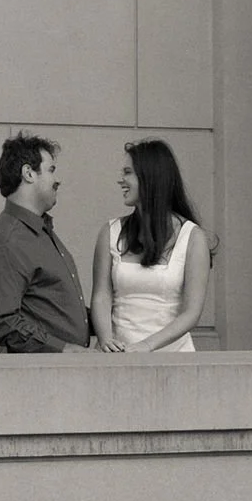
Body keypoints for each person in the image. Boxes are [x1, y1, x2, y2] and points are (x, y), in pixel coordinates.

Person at [90, 137, 209, 355]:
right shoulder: (110, 232)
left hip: (173, 359)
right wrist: (106, 341)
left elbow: (192, 312)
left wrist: (146, 346)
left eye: (128, 172)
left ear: (149, 177)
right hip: (118, 358)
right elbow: (101, 296)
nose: (121, 180)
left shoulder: (192, 237)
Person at [0, 130, 90, 353]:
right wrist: (63, 349)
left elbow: (52, 308)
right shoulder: (5, 241)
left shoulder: (40, 231)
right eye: (51, 170)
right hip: (39, 379)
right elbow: (3, 321)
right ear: (28, 173)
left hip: (63, 373)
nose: (57, 180)